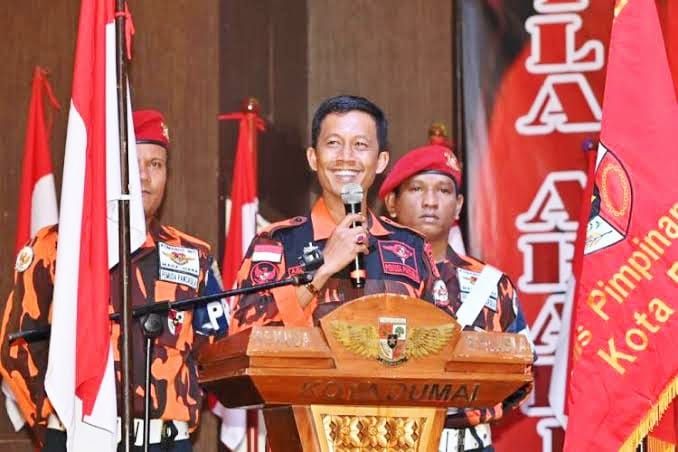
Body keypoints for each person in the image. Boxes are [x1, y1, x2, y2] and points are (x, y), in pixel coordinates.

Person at [0, 110, 228, 452]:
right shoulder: (55, 248)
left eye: (156, 164)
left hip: (166, 442)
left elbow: (217, 351)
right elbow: (16, 348)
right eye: (132, 163)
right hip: (78, 438)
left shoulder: (193, 255)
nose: (144, 176)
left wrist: (183, 399)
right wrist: (58, 420)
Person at [228, 95, 449, 332]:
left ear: (381, 161)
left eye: (360, 145)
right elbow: (243, 334)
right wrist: (322, 269)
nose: (346, 157)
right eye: (333, 143)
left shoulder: (411, 247)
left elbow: (445, 337)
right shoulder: (278, 242)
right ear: (313, 158)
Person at [378, 140, 533, 452]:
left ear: (459, 205)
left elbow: (522, 374)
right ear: (392, 203)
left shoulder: (492, 284)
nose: (430, 201)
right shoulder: (371, 280)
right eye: (417, 189)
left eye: (443, 191)